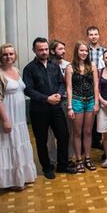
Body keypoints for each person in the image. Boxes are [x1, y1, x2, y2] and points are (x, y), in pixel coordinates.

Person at [24, 37, 73, 179]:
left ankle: (62, 166)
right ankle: (46, 167)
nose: (44, 52)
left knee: (63, 135)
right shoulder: (29, 69)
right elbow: (28, 90)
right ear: (34, 50)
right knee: (42, 139)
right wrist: (46, 99)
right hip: (39, 110)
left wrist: (58, 93)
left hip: (56, 107)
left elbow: (62, 83)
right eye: (41, 50)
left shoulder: (54, 65)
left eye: (46, 49)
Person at [0, 44, 37, 190]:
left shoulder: (16, 70)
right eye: (5, 54)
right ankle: (10, 181)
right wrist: (5, 120)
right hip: (7, 115)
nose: (8, 57)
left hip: (19, 118)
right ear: (0, 56)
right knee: (8, 145)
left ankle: (22, 177)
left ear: (14, 55)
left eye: (11, 54)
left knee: (19, 144)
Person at [66, 41, 100, 173]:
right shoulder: (70, 67)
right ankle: (78, 159)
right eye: (81, 50)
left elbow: (96, 85)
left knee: (88, 132)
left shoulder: (92, 66)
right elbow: (69, 87)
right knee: (77, 132)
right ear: (76, 51)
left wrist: (97, 102)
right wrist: (69, 106)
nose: (84, 53)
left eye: (86, 51)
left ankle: (88, 158)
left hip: (91, 100)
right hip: (77, 101)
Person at [47, 39, 74, 167]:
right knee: (50, 135)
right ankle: (52, 160)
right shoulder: (47, 65)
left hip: (65, 101)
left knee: (68, 132)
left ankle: (68, 158)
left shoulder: (68, 65)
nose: (63, 51)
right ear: (52, 51)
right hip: (50, 102)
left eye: (64, 48)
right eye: (60, 49)